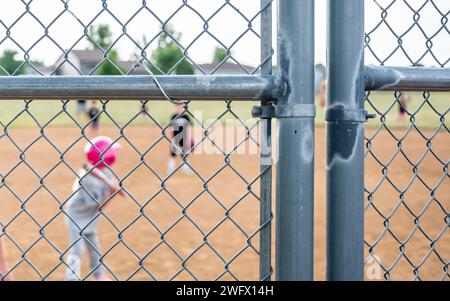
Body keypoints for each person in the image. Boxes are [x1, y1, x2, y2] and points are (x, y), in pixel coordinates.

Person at [65, 136, 121, 281]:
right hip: (76, 217)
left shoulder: (105, 171)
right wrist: (112, 194)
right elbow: (98, 206)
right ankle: (71, 278)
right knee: (77, 250)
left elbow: (110, 183)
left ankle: (98, 274)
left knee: (94, 247)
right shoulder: (87, 180)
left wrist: (113, 189)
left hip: (90, 216)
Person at [167, 103, 193, 175]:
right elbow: (171, 129)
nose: (179, 108)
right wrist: (171, 138)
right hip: (175, 138)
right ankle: (170, 168)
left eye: (180, 107)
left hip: (184, 138)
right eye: (177, 106)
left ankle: (186, 168)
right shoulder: (174, 116)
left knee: (184, 154)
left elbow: (189, 128)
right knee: (173, 154)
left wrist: (189, 138)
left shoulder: (186, 117)